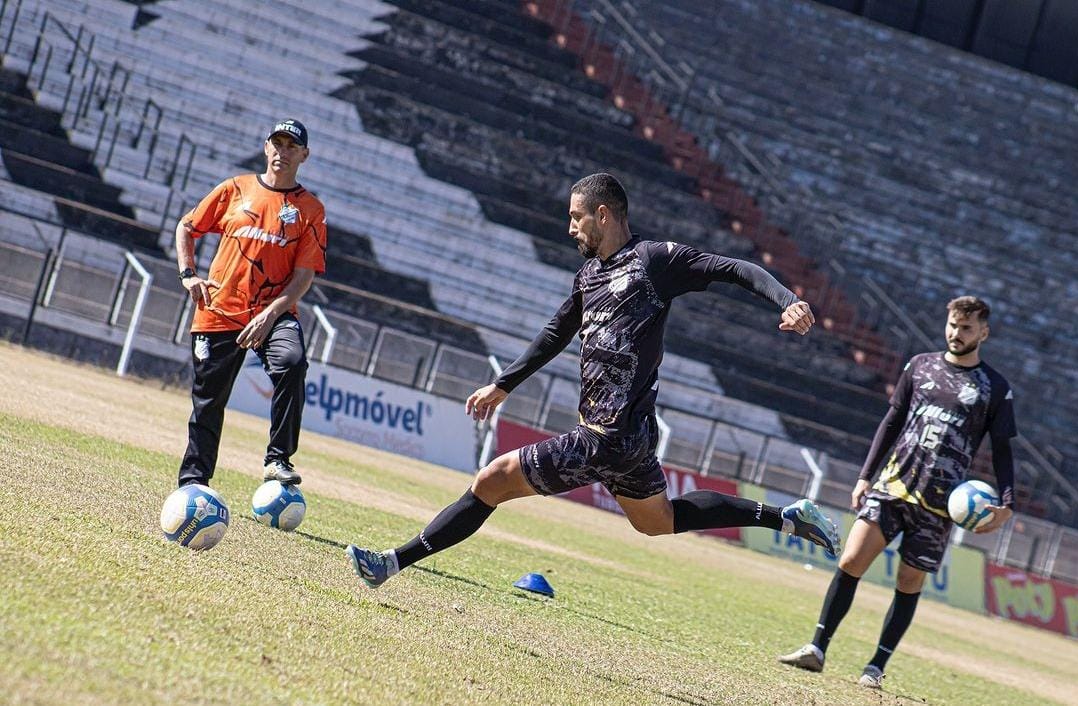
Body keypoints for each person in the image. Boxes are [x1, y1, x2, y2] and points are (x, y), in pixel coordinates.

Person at [345, 172, 839, 587]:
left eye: (575, 217)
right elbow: (557, 331)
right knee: (658, 521)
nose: (570, 228)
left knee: (490, 481)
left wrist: (787, 301)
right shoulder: (589, 276)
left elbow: (734, 268)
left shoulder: (655, 261)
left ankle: (390, 563)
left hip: (606, 437)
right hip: (631, 442)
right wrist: (505, 384)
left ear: (603, 214)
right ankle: (786, 517)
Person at [778, 296, 1016, 689]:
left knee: (908, 582)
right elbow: (891, 421)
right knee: (851, 559)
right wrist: (864, 475)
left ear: (983, 332)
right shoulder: (920, 365)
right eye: (953, 326)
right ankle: (817, 647)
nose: (957, 334)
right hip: (892, 486)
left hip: (941, 505)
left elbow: (1004, 448)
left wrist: (1007, 503)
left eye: (967, 328)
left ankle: (874, 667)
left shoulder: (995, 388)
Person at [174, 118, 327, 489]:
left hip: (274, 313)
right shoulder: (235, 189)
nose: (283, 151)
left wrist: (269, 315)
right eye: (277, 143)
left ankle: (277, 459)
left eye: (292, 146)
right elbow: (187, 227)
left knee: (293, 363)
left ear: (304, 155)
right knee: (208, 403)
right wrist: (188, 273)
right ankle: (194, 485)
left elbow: (303, 276)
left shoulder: (311, 210)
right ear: (265, 147)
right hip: (220, 309)